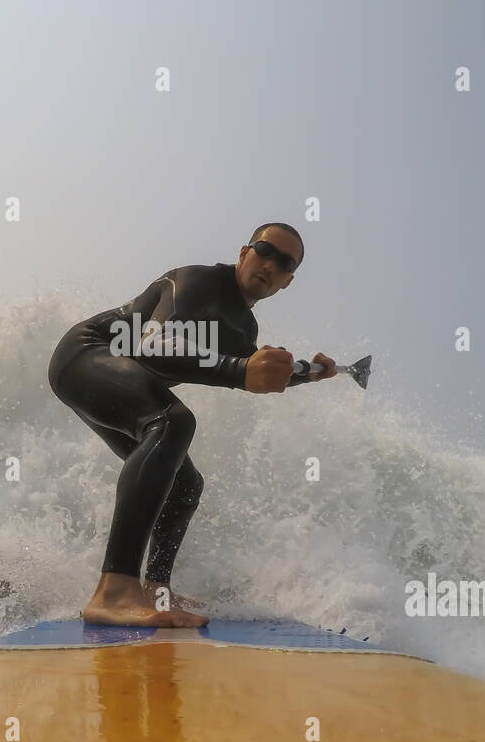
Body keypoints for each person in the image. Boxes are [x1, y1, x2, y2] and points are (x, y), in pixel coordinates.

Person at [47, 223, 337, 627]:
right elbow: (154, 344)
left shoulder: (244, 330)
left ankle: (156, 591)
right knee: (173, 422)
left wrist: (310, 373)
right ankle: (114, 592)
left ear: (288, 281)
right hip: (85, 355)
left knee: (186, 484)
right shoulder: (198, 281)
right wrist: (239, 369)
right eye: (265, 250)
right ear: (243, 253)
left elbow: (253, 370)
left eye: (284, 263)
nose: (270, 264)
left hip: (117, 381)